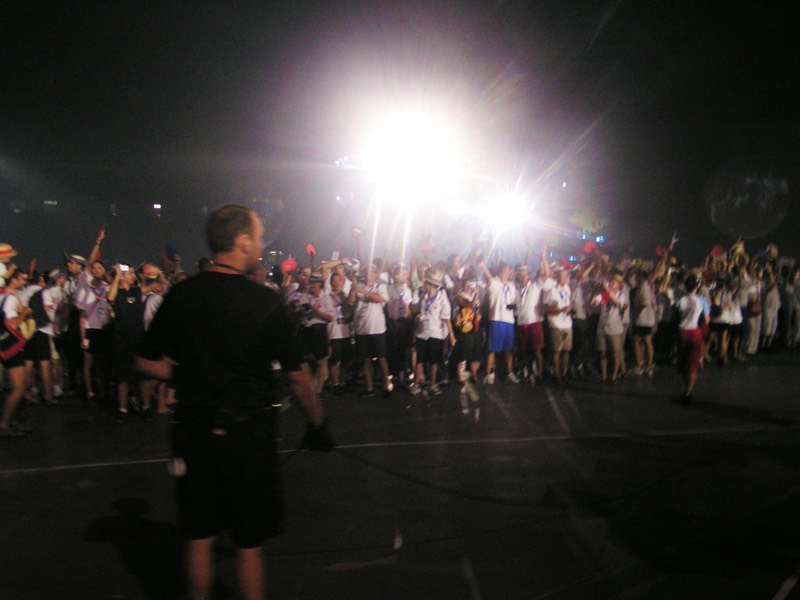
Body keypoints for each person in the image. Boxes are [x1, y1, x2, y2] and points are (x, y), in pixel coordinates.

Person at [136, 204, 333, 600]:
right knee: (248, 541)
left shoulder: (182, 294)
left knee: (200, 535)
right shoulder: (264, 301)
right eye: (258, 238)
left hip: (194, 428)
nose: (260, 245)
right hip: (248, 435)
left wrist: (188, 374)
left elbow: (143, 360)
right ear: (242, 242)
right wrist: (317, 423)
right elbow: (297, 376)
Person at [676, 273, 709, 401]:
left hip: (682, 331)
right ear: (697, 286)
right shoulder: (702, 300)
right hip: (695, 332)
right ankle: (689, 390)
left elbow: (676, 313)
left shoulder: (680, 300)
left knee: (683, 361)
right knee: (693, 363)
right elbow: (706, 319)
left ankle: (687, 388)